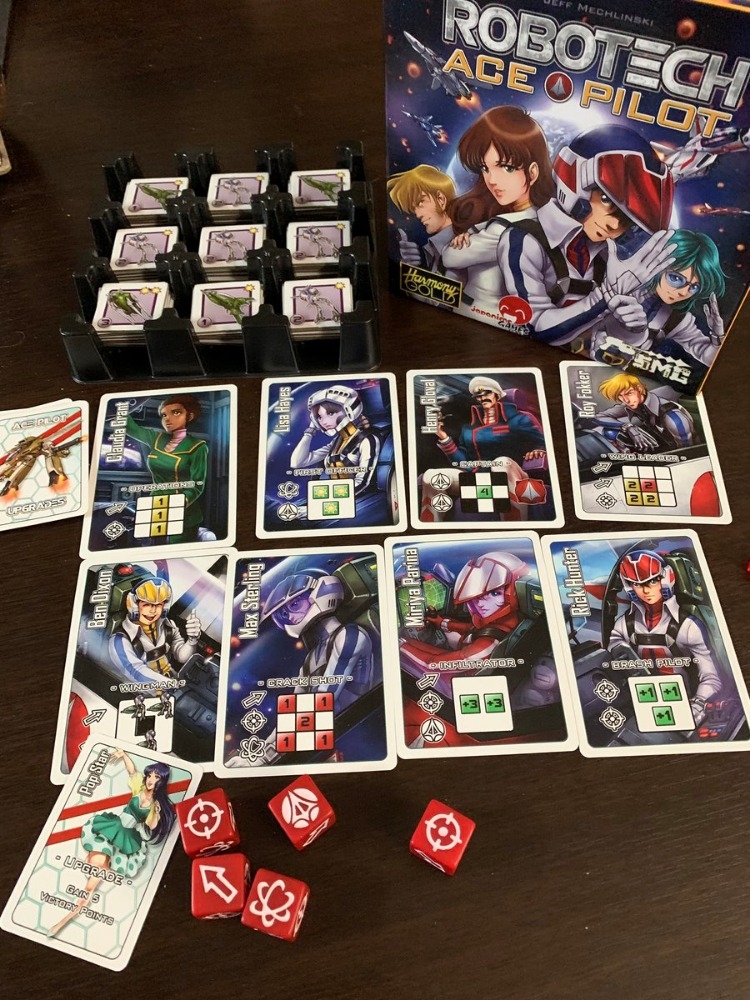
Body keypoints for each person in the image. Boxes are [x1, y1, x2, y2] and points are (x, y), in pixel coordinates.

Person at [497, 124, 676, 349]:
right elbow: (534, 327)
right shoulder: (525, 240)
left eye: (627, 218)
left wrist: (632, 330)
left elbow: (602, 341)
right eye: (606, 200)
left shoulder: (608, 259)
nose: (614, 224)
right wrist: (608, 293)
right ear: (575, 181)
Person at [47, 749, 176, 938]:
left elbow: (151, 826)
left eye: (156, 777)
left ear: (161, 781)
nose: (151, 779)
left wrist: (156, 812)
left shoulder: (155, 804)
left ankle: (66, 918)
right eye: (150, 775)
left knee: (92, 881)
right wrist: (123, 755)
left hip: (125, 837)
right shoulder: (138, 787)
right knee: (93, 871)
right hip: (112, 827)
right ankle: (72, 910)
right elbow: (132, 771)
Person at [440, 106, 555, 314]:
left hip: (480, 314)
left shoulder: (505, 230)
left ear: (533, 172)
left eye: (506, 167)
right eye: (485, 168)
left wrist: (471, 235)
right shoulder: (544, 218)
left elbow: (449, 257)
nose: (492, 180)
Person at [608, 549, 722, 725]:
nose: (646, 590)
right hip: (639, 702)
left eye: (653, 581)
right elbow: (612, 656)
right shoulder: (624, 624)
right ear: (630, 587)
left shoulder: (688, 626)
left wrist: (698, 703)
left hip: (684, 702)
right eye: (637, 584)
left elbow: (711, 677)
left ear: (666, 578)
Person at [591, 229, 726, 368]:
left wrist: (717, 336)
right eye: (676, 278)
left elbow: (710, 359)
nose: (683, 292)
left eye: (694, 286)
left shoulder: (674, 318)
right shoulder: (619, 280)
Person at [125, 394, 209, 543]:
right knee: (154, 549)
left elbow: (197, 485)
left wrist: (177, 505)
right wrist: (122, 405)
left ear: (189, 416)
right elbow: (131, 428)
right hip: (156, 505)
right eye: (164, 415)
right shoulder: (157, 438)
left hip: (184, 511)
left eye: (176, 412)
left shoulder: (197, 446)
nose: (167, 419)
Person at [291, 384, 380, 497]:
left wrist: (332, 497)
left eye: (331, 413)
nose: (323, 422)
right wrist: (310, 431)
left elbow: (363, 482)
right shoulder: (336, 443)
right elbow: (297, 462)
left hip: (357, 497)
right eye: (319, 417)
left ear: (349, 410)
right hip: (336, 495)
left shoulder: (367, 440)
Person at [109, 576, 202, 683]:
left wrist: (192, 640)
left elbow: (181, 657)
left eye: (158, 605)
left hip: (174, 682)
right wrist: (171, 685)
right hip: (145, 690)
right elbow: (136, 672)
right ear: (134, 605)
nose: (152, 611)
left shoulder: (168, 626)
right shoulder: (119, 641)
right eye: (146, 604)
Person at [592, 372, 695, 452]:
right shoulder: (633, 404)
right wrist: (628, 427)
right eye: (620, 396)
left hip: (677, 451)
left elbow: (687, 452)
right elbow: (599, 416)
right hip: (662, 443)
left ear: (639, 389)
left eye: (629, 393)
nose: (626, 400)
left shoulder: (673, 418)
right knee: (609, 432)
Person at [387, 164, 459, 275]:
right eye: (413, 208)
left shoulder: (463, 246)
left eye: (421, 202)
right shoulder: (434, 249)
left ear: (441, 199)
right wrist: (410, 270)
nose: (417, 214)